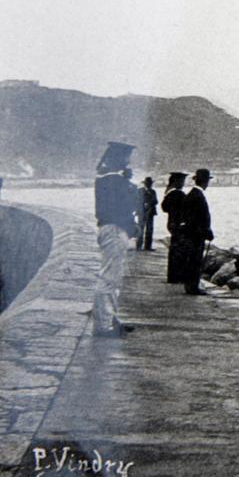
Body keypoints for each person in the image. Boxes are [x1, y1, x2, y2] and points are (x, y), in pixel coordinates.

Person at [91, 142, 139, 336]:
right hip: (114, 230)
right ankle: (104, 325)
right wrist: (129, 185)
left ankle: (109, 318)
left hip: (111, 229)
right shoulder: (114, 181)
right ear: (117, 159)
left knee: (113, 277)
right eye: (125, 157)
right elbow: (130, 204)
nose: (127, 161)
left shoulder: (105, 180)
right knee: (109, 278)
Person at [179, 168, 214, 295]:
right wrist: (207, 232)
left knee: (192, 260)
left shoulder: (192, 195)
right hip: (196, 235)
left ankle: (190, 285)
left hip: (191, 234)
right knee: (195, 260)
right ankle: (193, 287)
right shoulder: (198, 196)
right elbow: (200, 219)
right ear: (205, 181)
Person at [160, 171, 187, 282]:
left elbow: (164, 208)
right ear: (177, 181)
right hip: (179, 225)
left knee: (174, 250)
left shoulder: (170, 194)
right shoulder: (179, 194)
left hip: (172, 223)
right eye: (182, 181)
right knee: (179, 251)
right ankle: (178, 275)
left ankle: (173, 276)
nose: (183, 183)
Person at [136, 177, 158, 251]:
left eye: (150, 183)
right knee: (140, 229)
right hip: (141, 213)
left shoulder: (153, 191)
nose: (149, 185)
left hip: (150, 213)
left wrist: (150, 204)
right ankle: (138, 246)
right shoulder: (139, 191)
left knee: (150, 230)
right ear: (145, 184)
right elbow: (136, 200)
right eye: (148, 183)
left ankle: (148, 247)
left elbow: (156, 201)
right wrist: (144, 204)